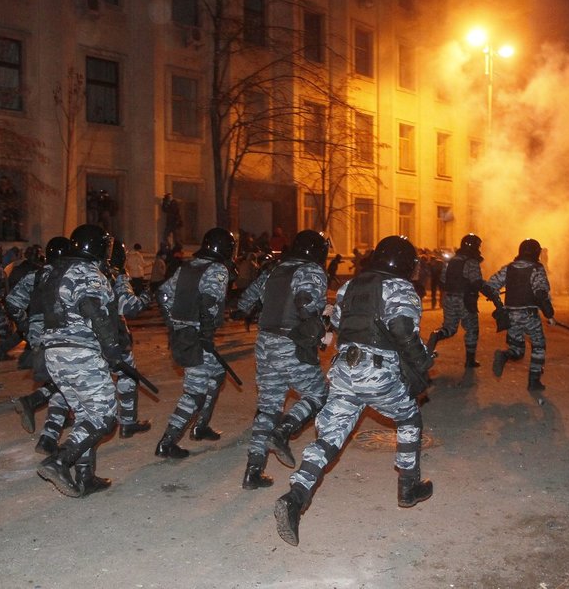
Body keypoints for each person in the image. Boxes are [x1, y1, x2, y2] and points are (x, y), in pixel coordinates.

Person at [274, 235, 434, 546]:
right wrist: (421, 360)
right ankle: (408, 487)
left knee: (330, 438)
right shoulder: (401, 288)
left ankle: (295, 497)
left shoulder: (350, 285)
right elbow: (402, 329)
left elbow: (335, 320)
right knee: (410, 418)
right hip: (377, 372)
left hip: (344, 370)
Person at [233, 230, 331, 490]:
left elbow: (245, 301)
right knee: (317, 395)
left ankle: (253, 472)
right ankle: (284, 431)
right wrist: (318, 324)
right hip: (292, 342)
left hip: (265, 342)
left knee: (268, 407)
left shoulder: (273, 270)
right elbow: (306, 302)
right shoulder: (310, 270)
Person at [35, 224, 120, 497]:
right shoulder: (87, 271)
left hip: (55, 354)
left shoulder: (55, 270)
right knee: (105, 417)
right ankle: (59, 461)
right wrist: (111, 347)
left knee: (85, 415)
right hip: (80, 352)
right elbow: (90, 307)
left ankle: (86, 477)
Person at [154, 227, 236, 459]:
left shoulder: (188, 266)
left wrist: (174, 323)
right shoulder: (217, 269)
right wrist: (206, 334)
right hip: (197, 337)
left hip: (186, 334)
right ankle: (167, 442)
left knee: (218, 374)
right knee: (195, 393)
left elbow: (163, 294)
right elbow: (210, 301)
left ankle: (201, 426)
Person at [7, 236, 73, 455]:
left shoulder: (34, 276)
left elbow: (12, 302)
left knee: (61, 384)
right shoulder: (69, 275)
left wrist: (25, 325)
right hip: (61, 334)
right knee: (66, 381)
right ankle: (33, 401)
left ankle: (48, 437)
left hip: (37, 335)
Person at [485, 239, 556, 392]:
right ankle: (534, 381)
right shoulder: (537, 268)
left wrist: (498, 303)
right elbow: (541, 294)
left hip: (511, 314)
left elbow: (490, 286)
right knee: (538, 346)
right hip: (529, 314)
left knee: (517, 350)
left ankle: (505, 356)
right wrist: (549, 315)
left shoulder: (509, 268)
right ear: (537, 252)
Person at [106, 240, 154, 438]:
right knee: (127, 376)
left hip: (86, 339)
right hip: (113, 338)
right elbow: (129, 307)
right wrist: (145, 298)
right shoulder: (115, 274)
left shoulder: (83, 271)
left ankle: (49, 433)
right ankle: (127, 422)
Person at [427, 234, 489, 368]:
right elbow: (477, 282)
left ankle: (436, 336)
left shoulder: (451, 261)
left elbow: (442, 281)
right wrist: (489, 291)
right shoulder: (471, 262)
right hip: (465, 299)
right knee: (472, 329)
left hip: (449, 298)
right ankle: (470, 360)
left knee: (449, 328)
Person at [0, 245, 45, 364]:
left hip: (13, 304)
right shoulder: (34, 270)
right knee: (31, 332)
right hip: (25, 305)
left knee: (23, 332)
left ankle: (0, 349)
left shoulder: (16, 266)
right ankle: (25, 359)